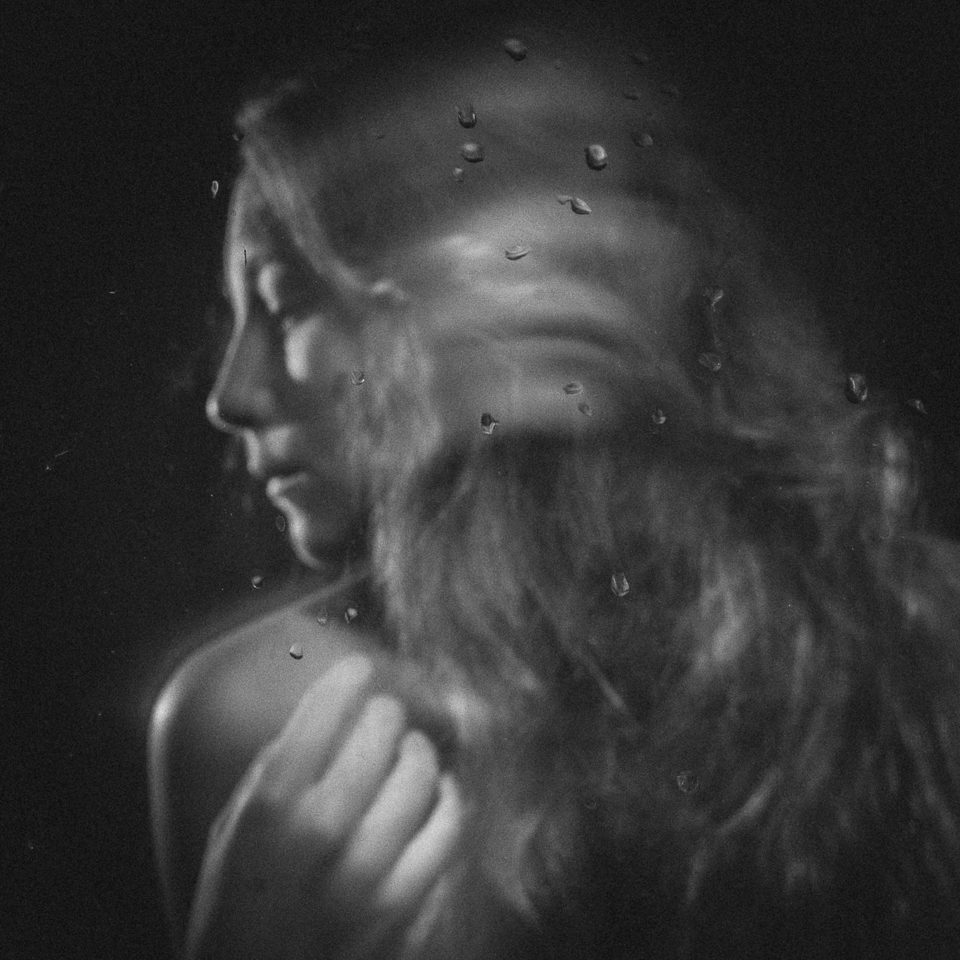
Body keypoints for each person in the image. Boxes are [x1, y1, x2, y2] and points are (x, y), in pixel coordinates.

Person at [149, 2, 960, 957]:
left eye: (284, 302)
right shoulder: (272, 711)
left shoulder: (917, 637)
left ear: (496, 294)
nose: (231, 395)